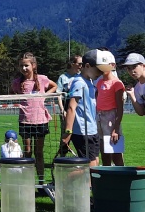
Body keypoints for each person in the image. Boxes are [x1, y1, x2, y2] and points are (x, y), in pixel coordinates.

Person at [10, 52, 57, 188]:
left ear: (33, 65)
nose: (24, 68)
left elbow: (54, 86)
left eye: (26, 65)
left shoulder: (42, 79)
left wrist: (44, 95)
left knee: (39, 152)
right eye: (21, 66)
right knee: (28, 151)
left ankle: (41, 182)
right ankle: (27, 181)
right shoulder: (17, 82)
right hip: (25, 121)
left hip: (40, 120)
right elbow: (12, 93)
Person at [61, 49, 106, 168]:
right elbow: (71, 107)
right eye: (98, 70)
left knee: (95, 163)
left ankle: (87, 185)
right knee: (90, 167)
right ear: (87, 66)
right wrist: (68, 131)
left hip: (92, 130)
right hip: (82, 131)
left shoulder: (90, 82)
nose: (100, 73)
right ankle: (63, 181)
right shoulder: (79, 82)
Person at [96, 51, 125, 166]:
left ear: (113, 66)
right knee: (104, 152)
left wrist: (116, 128)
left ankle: (122, 179)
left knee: (115, 152)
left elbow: (120, 107)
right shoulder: (99, 82)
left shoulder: (117, 83)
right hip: (99, 116)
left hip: (111, 117)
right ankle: (107, 178)